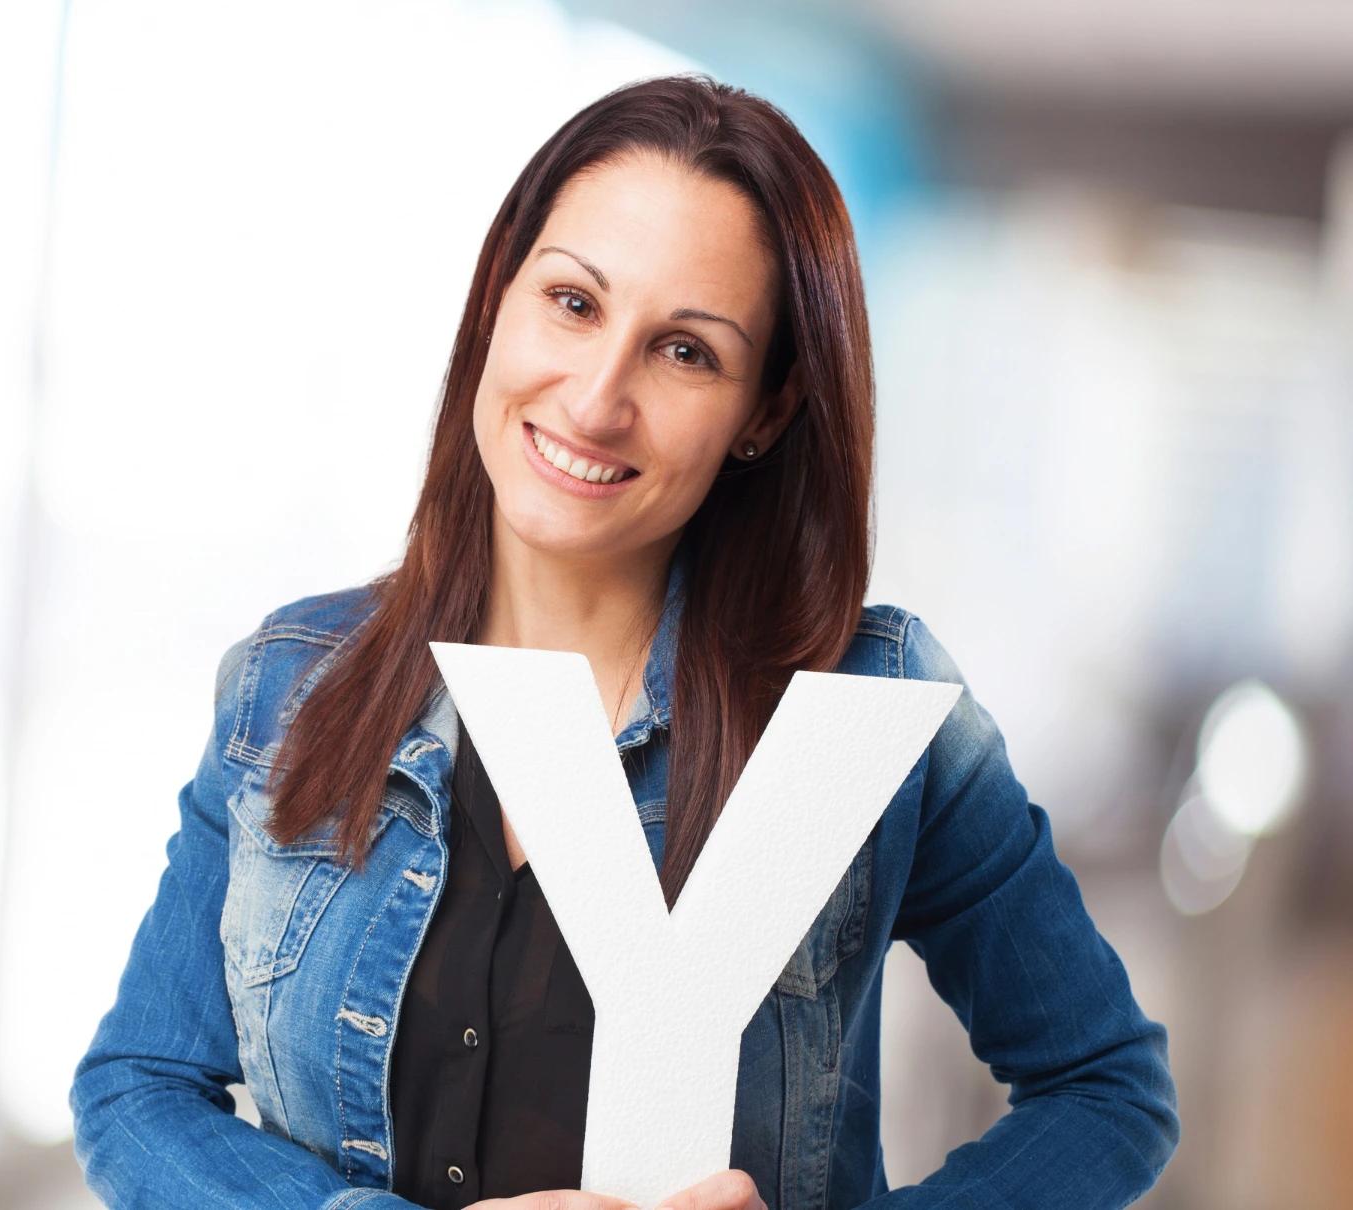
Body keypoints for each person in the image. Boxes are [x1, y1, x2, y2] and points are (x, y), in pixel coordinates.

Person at [70, 73, 1179, 1209]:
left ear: (765, 412)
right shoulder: (292, 681)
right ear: (497, 299)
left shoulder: (867, 700)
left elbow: (1104, 1089)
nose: (597, 400)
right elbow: (139, 1088)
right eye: (573, 302)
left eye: (685, 351)